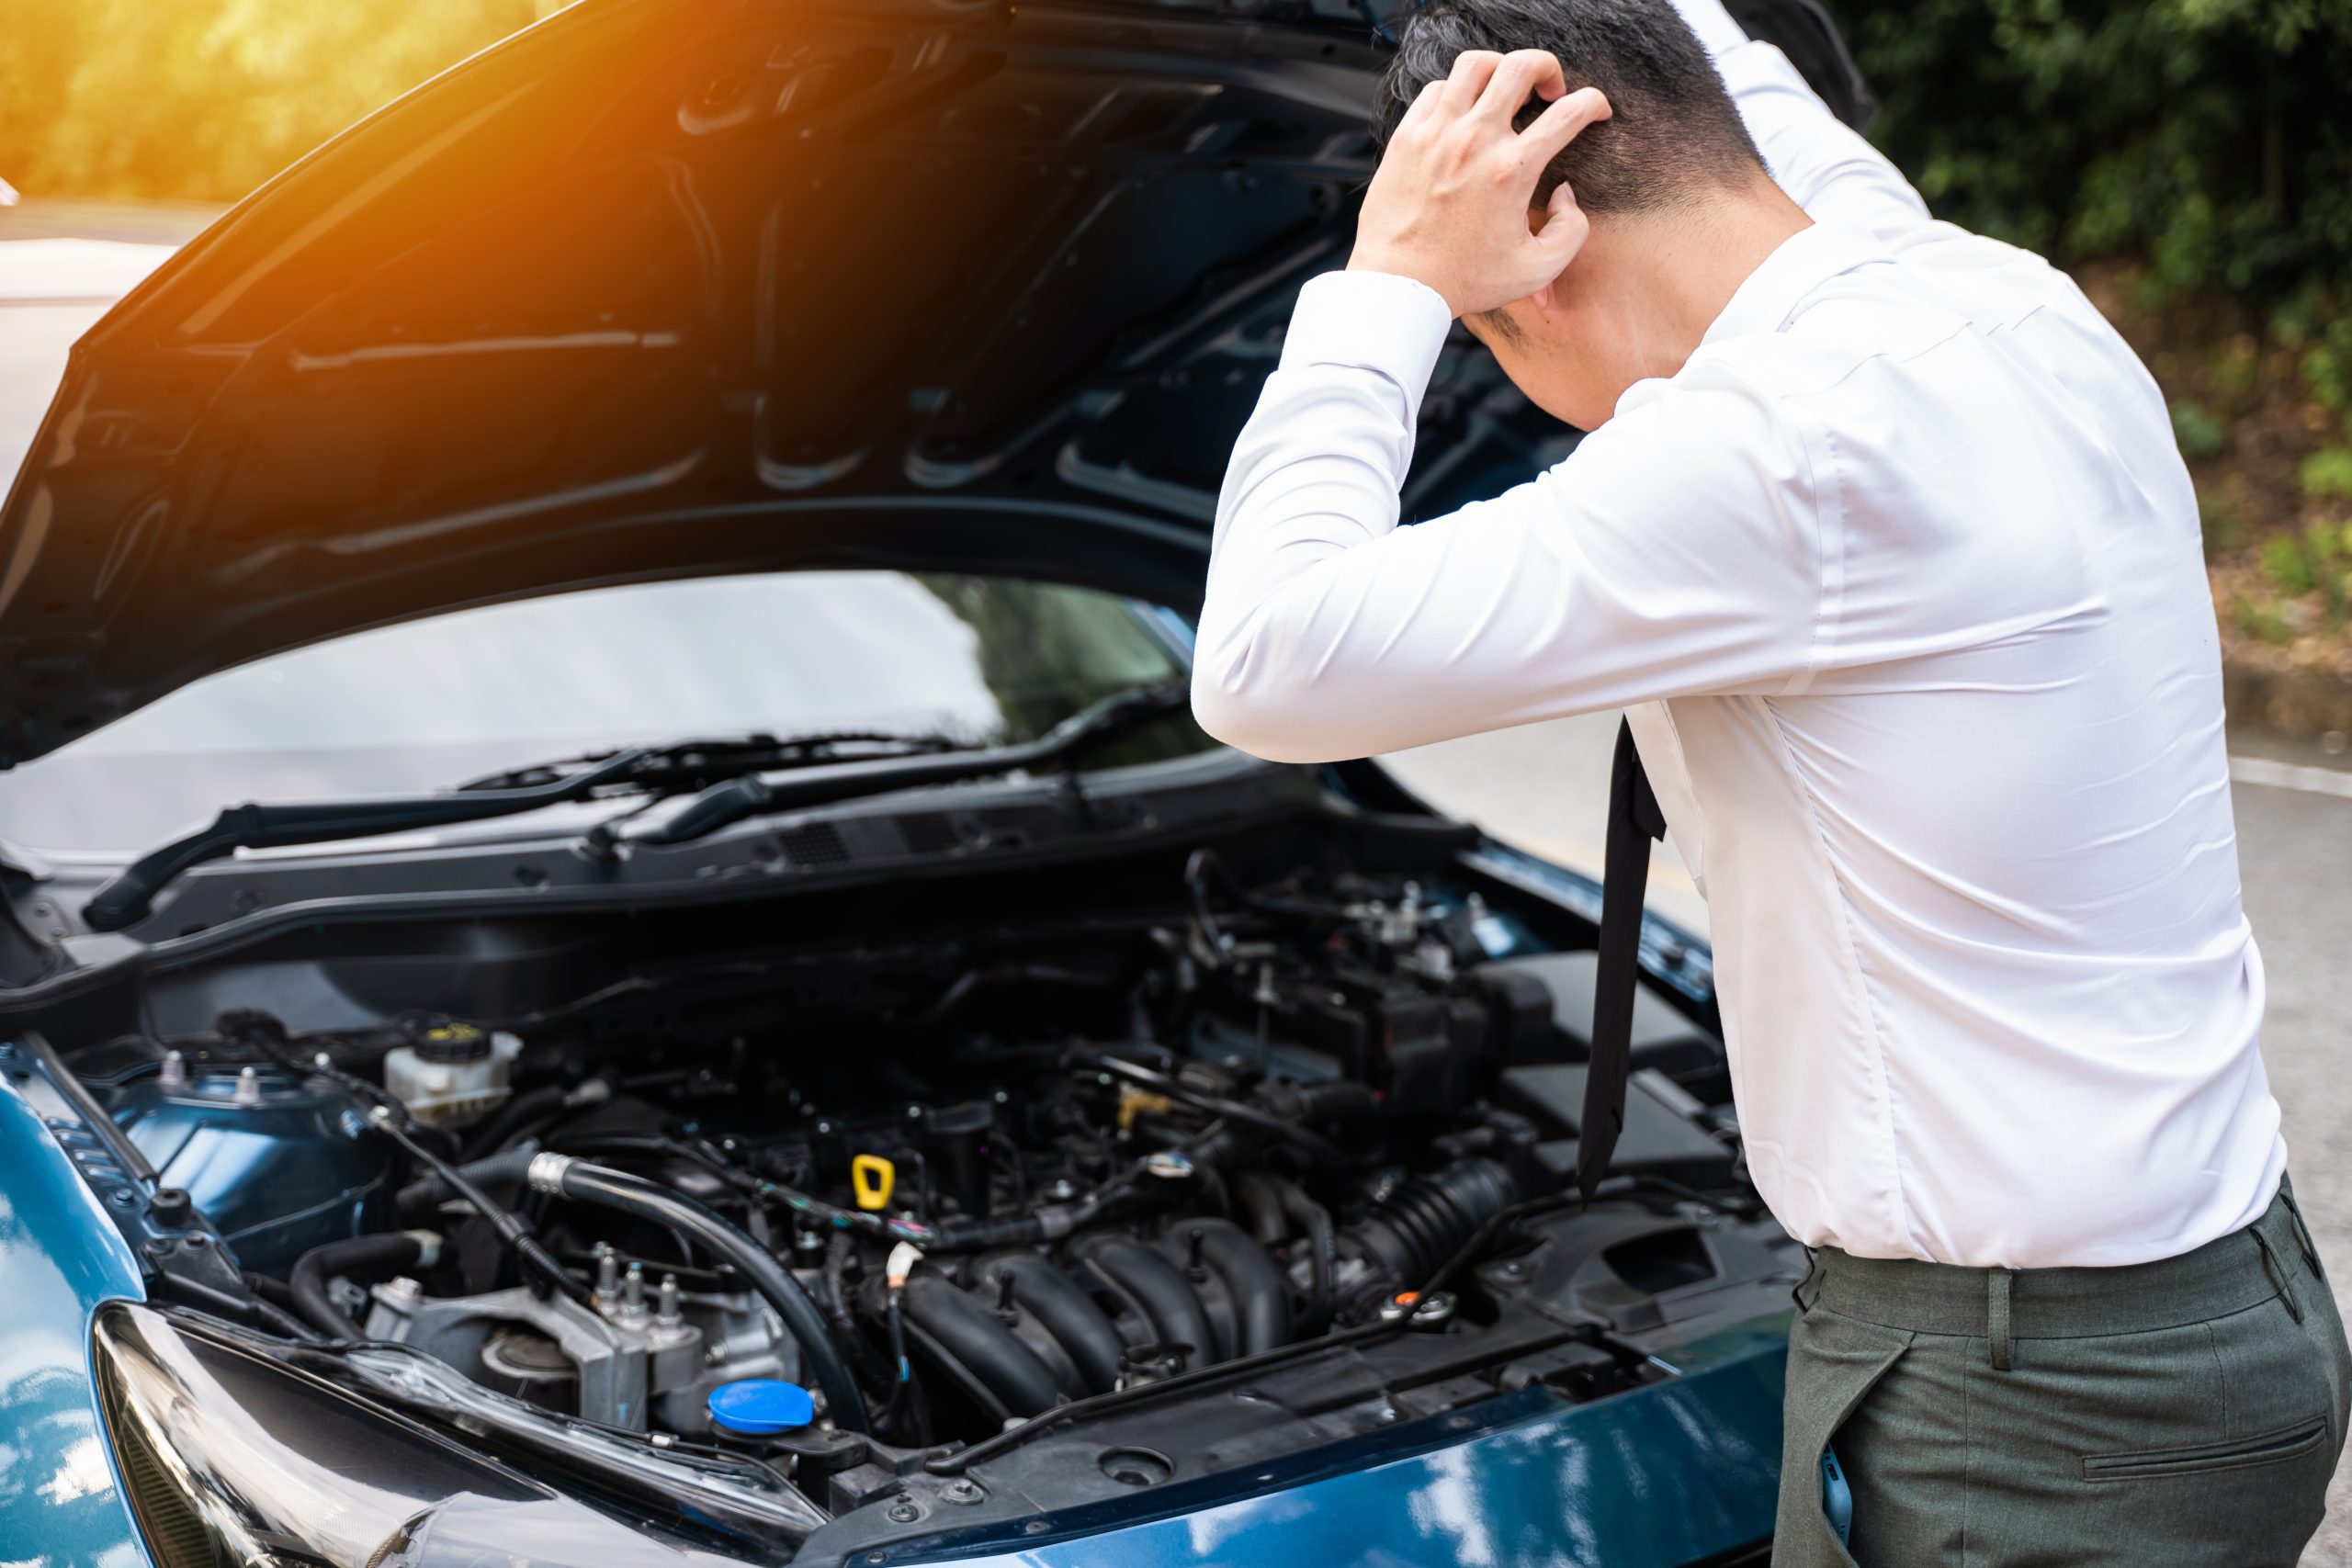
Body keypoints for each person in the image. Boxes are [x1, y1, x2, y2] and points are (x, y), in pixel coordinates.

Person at [1187, 0, 2352, 1561]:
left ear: (1543, 254)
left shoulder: (1778, 454)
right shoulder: (1990, 295)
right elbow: (1745, 98)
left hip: (2031, 1406)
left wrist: (1392, 277)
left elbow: (1263, 659)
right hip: (2209, 1304)